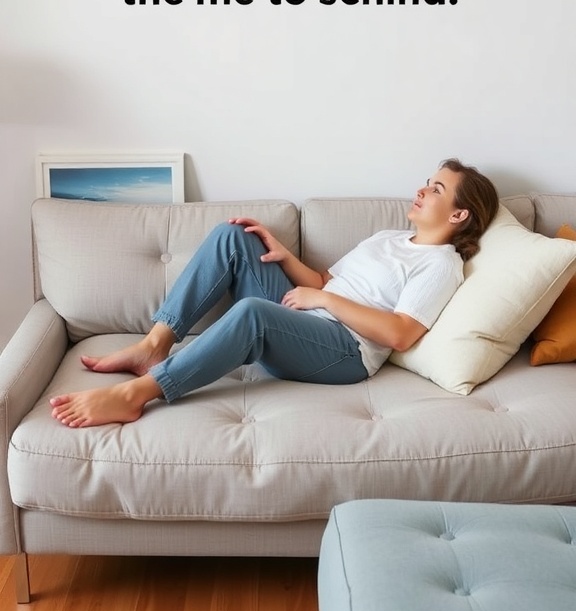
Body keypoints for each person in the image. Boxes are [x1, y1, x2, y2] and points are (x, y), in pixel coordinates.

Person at [50, 158, 499, 428]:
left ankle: (138, 394)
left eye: (436, 189)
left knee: (253, 314)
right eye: (427, 181)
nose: (421, 189)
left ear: (459, 214)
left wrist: (324, 302)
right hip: (311, 320)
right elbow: (324, 282)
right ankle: (155, 344)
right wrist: (284, 256)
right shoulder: (388, 238)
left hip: (345, 354)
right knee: (235, 237)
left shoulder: (441, 264)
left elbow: (400, 334)